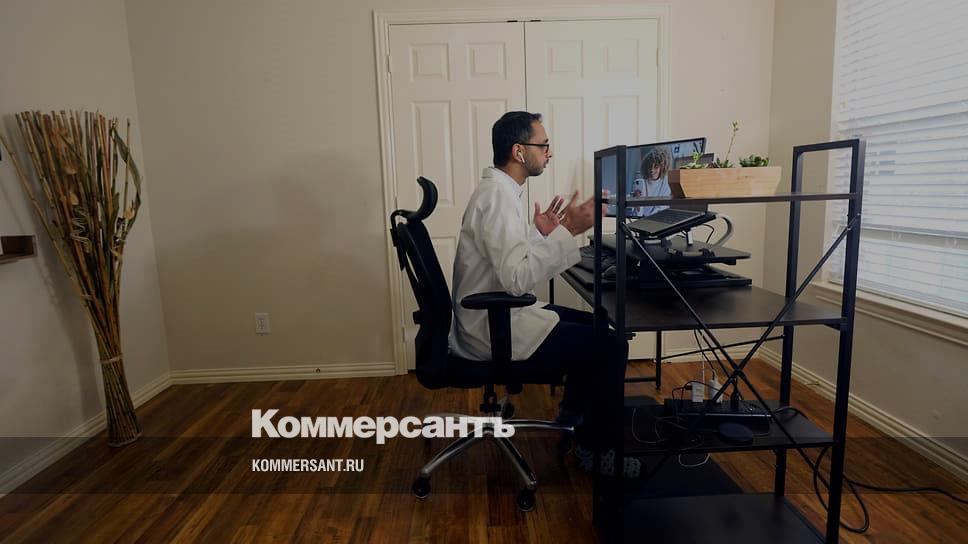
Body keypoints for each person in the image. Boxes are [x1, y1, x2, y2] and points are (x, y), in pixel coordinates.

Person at [449, 111, 633, 476]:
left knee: (597, 325)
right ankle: (598, 453)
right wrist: (569, 232)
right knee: (611, 347)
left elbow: (506, 258)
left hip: (494, 316)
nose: (550, 152)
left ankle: (572, 419)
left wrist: (541, 233)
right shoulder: (497, 197)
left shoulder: (501, 191)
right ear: (519, 152)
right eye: (544, 145)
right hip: (492, 328)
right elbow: (516, 279)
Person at [629, 145, 672, 217]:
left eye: (656, 167)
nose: (652, 170)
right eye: (650, 167)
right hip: (642, 219)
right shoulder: (640, 182)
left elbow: (663, 207)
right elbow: (637, 214)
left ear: (662, 167)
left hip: (658, 218)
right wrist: (637, 204)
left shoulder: (666, 181)